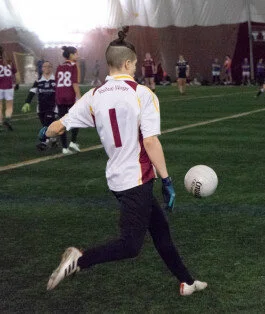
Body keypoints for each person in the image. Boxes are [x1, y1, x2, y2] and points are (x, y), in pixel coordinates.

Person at [42, 29, 207, 296]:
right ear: (129, 64)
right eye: (135, 63)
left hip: (118, 178)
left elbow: (58, 127)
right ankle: (79, 260)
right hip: (136, 179)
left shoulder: (94, 95)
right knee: (130, 246)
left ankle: (187, 281)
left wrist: (44, 132)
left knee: (160, 230)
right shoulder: (142, 94)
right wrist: (166, 180)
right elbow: (151, 142)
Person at [22, 61, 58, 151]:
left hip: (53, 107)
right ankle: (53, 139)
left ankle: (44, 142)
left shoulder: (56, 79)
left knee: (47, 124)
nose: (47, 68)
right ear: (42, 68)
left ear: (51, 68)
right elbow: (32, 91)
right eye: (45, 66)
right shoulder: (39, 80)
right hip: (41, 107)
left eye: (49, 66)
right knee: (45, 125)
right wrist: (27, 102)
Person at [55, 46, 82, 154]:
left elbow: (57, 82)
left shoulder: (59, 66)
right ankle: (73, 142)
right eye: (76, 53)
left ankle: (64, 148)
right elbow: (75, 82)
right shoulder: (74, 66)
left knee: (62, 121)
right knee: (78, 118)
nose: (77, 55)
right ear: (71, 55)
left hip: (60, 96)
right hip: (69, 95)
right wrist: (79, 97)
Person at [0, 45, 20, 132]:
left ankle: (0, 125)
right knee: (9, 106)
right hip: (9, 87)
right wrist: (17, 83)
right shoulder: (9, 62)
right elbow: (16, 74)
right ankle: (8, 119)